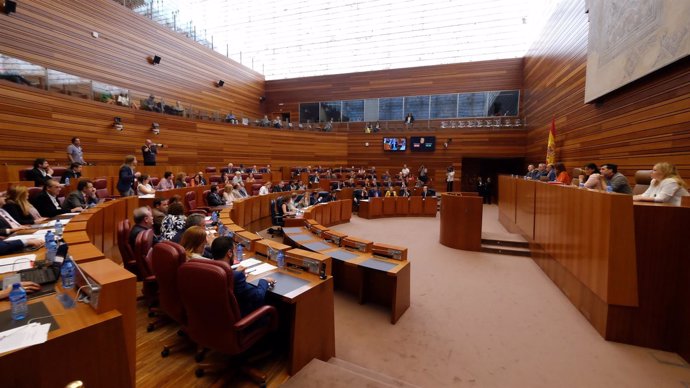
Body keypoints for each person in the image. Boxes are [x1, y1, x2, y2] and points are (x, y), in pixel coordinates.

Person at [210, 236, 275, 317]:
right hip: (241, 321)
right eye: (234, 251)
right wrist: (264, 281)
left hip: (214, 317)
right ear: (229, 253)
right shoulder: (236, 276)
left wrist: (236, 273)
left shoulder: (207, 269)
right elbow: (258, 297)